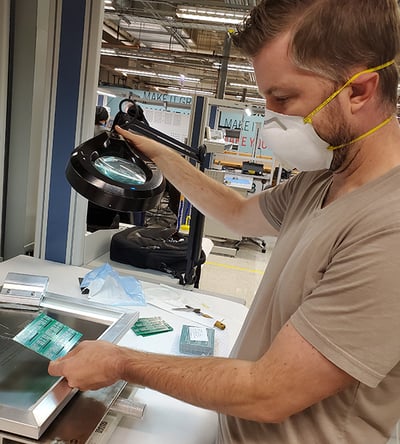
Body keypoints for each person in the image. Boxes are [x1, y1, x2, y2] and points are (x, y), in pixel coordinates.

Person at [49, 0, 400, 442]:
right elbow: (238, 214)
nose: (270, 117)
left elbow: (269, 393)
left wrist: (122, 362)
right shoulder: (325, 179)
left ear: (359, 91)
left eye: (283, 97)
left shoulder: (390, 228)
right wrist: (163, 157)